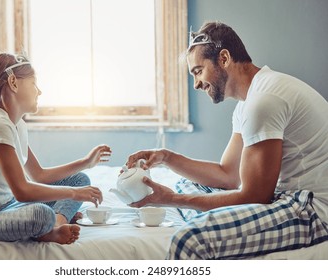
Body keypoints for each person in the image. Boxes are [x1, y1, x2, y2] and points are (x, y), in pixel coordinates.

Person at [125, 21, 328, 259]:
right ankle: (212, 218)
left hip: (312, 208)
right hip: (286, 196)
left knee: (189, 240)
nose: (196, 84)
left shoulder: (264, 100)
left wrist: (171, 200)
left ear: (223, 58)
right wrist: (166, 157)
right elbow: (228, 176)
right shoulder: (248, 104)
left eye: (198, 71)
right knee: (185, 184)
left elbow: (256, 196)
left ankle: (208, 222)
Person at [0, 53, 112, 245]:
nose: (39, 91)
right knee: (41, 214)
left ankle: (57, 225)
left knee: (80, 179)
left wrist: (86, 162)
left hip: (8, 205)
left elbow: (39, 176)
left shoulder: (16, 124)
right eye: (34, 83)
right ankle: (49, 228)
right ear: (13, 83)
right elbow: (23, 191)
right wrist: (74, 194)